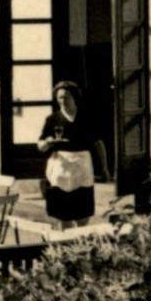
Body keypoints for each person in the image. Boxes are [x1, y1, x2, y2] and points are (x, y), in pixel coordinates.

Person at [38, 81, 95, 228]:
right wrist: (47, 143)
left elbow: (98, 143)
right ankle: (65, 241)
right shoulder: (52, 120)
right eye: (60, 97)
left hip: (82, 165)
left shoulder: (86, 117)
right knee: (63, 212)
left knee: (83, 213)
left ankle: (81, 243)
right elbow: (41, 145)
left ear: (75, 97)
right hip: (61, 167)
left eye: (66, 97)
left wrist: (106, 168)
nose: (63, 101)